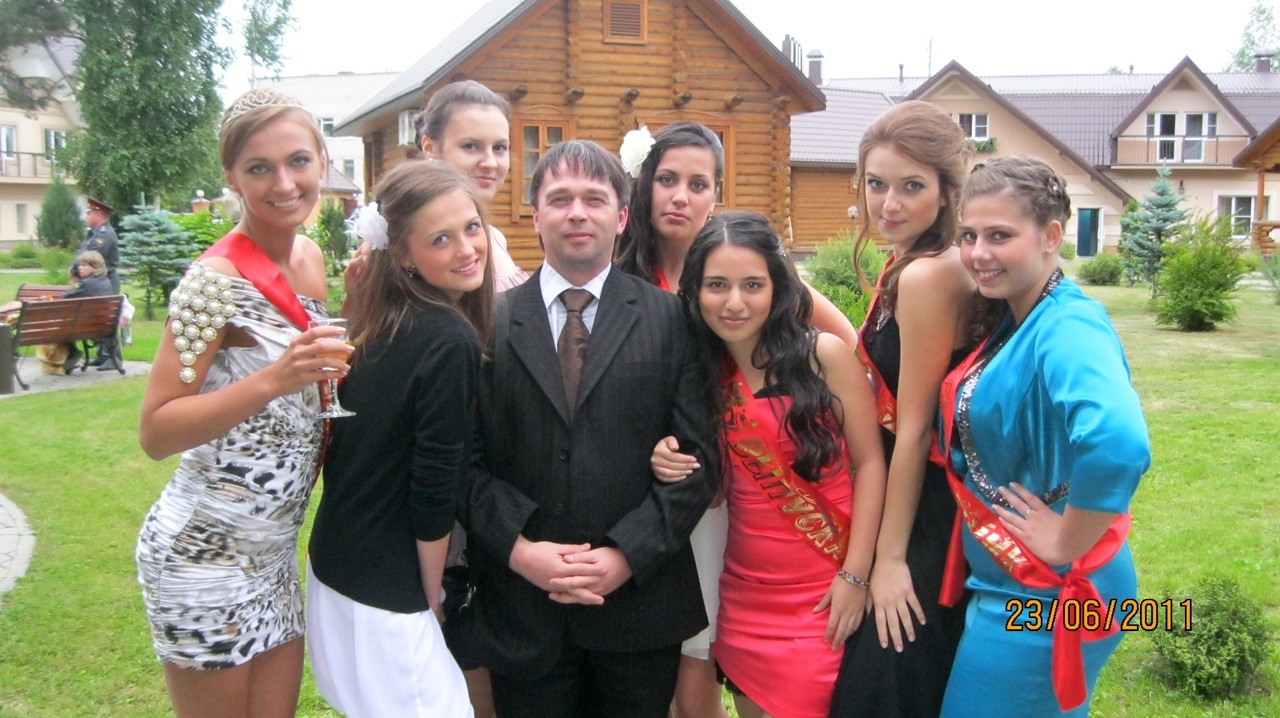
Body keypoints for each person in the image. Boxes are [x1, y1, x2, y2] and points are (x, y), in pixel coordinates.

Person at [458, 139, 719, 718]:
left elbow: (699, 461)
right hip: (524, 605)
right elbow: (463, 464)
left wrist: (626, 554)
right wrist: (522, 552)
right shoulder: (486, 324)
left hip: (638, 606)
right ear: (535, 217)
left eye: (594, 199)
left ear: (621, 217)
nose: (577, 212)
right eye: (560, 199)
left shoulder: (672, 319)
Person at [614, 121, 860, 718]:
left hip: (755, 500)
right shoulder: (625, 279)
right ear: (643, 184)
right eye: (667, 179)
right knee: (676, 649)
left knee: (703, 646)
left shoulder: (750, 265)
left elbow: (842, 344)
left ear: (715, 194)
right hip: (665, 489)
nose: (680, 196)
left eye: (698, 184)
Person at [135, 87, 351, 718]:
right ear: (231, 177)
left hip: (274, 550)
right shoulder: (210, 284)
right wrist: (272, 380)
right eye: (259, 168)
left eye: (298, 161)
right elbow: (155, 431)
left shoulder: (311, 258)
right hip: (204, 552)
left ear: (322, 161)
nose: (284, 183)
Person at [651, 212, 886, 718]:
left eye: (752, 285)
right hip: (745, 598)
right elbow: (711, 488)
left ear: (777, 286)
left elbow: (870, 465)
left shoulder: (823, 356)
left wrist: (856, 576)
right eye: (717, 285)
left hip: (827, 589)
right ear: (695, 291)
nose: (734, 302)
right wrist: (666, 455)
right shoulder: (698, 372)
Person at [938, 156, 1150, 716]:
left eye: (999, 235)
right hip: (1017, 584)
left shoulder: (1067, 325)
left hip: (1053, 592)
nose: (978, 253)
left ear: (1051, 236)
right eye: (969, 235)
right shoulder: (1021, 315)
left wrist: (1066, 539)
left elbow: (1119, 441)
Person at [307, 161, 491, 717]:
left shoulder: (378, 321)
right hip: (389, 585)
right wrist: (432, 593)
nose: (467, 248)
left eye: (472, 227)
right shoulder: (448, 338)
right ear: (405, 256)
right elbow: (433, 487)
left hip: (336, 561)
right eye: (441, 239)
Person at [830, 100, 975, 718]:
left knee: (884, 685)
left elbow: (914, 430)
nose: (888, 204)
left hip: (923, 512)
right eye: (876, 184)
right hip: (903, 495)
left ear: (946, 192)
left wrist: (887, 563)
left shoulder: (928, 275)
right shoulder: (912, 258)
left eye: (911, 186)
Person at [416, 79, 529, 291]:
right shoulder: (411, 243)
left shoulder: (495, 238)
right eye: (470, 146)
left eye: (499, 148)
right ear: (430, 148)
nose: (490, 162)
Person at [72, 197, 121, 294]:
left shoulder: (105, 235)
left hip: (104, 284)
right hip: (93, 283)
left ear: (98, 215)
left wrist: (73, 270)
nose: (86, 217)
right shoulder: (93, 234)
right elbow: (81, 253)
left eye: (89, 214)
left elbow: (92, 259)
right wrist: (73, 269)